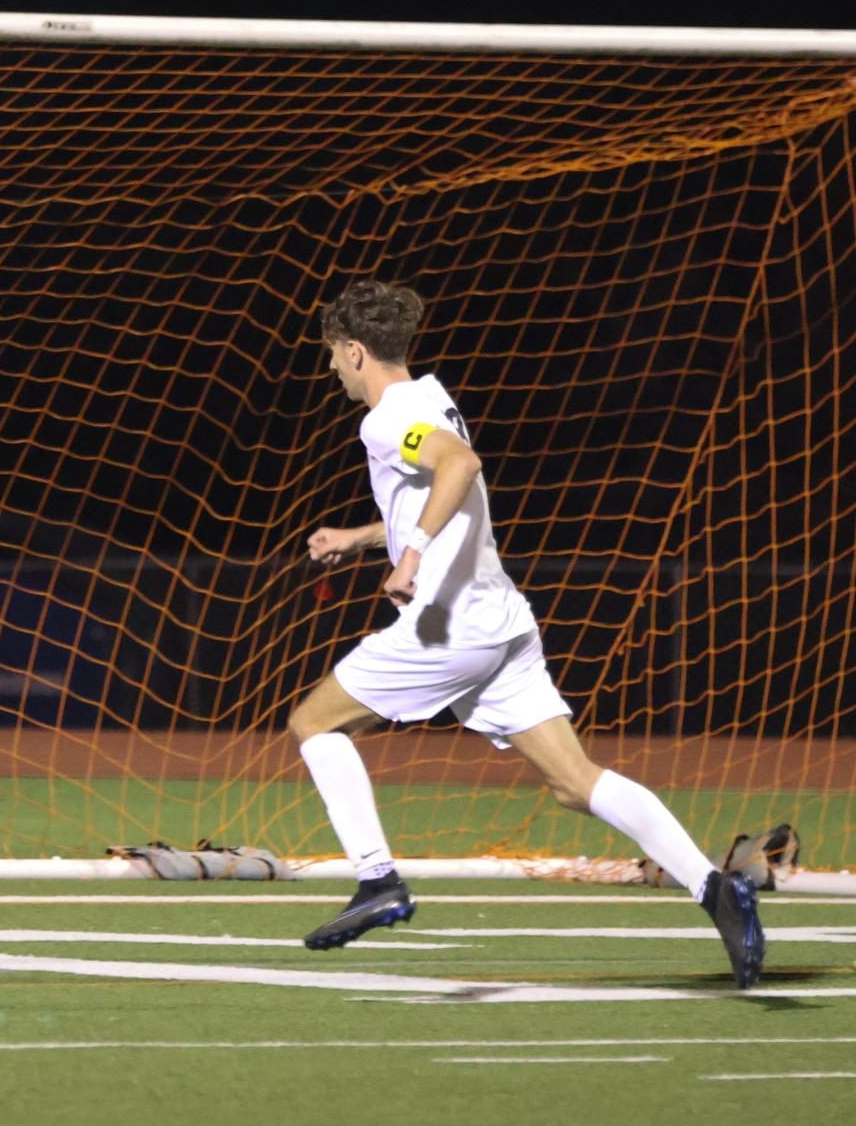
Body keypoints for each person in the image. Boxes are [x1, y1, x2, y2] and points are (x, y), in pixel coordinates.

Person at [293, 280, 764, 988]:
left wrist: (411, 554)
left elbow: (459, 466)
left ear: (356, 351)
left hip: (446, 624)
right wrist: (365, 539)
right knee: (576, 783)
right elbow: (445, 487)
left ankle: (376, 880)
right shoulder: (430, 399)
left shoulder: (388, 419)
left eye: (334, 355)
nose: (333, 368)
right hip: (499, 619)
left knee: (313, 723)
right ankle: (714, 890)